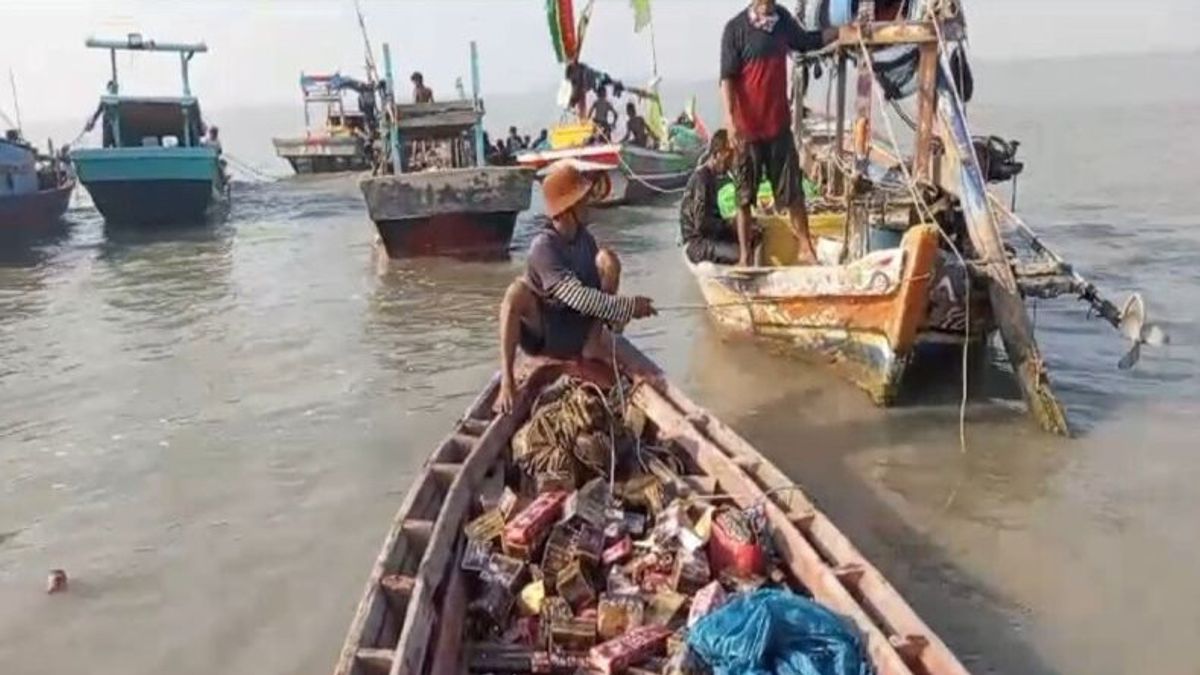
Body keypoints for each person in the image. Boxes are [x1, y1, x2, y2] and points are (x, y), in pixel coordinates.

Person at [497, 161, 657, 412]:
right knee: (515, 294)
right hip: (547, 334)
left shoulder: (585, 239)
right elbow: (576, 297)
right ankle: (506, 379)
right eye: (581, 200)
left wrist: (617, 316)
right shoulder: (543, 247)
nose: (587, 203)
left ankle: (593, 343)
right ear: (568, 208)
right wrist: (626, 307)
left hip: (576, 328)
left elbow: (593, 288)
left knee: (607, 260)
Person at [720, 0, 836, 265]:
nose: (771, 5)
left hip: (778, 128)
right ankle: (746, 256)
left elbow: (807, 41)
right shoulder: (735, 29)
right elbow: (726, 79)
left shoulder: (782, 20)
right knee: (744, 197)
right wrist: (730, 121)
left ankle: (806, 248)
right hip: (747, 131)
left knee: (793, 192)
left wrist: (840, 32)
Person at [680, 130, 753, 265]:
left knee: (752, 237)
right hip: (696, 244)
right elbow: (701, 224)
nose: (731, 162)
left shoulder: (711, 178)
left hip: (706, 239)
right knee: (741, 253)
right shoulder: (702, 179)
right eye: (728, 157)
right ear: (717, 154)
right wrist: (730, 225)